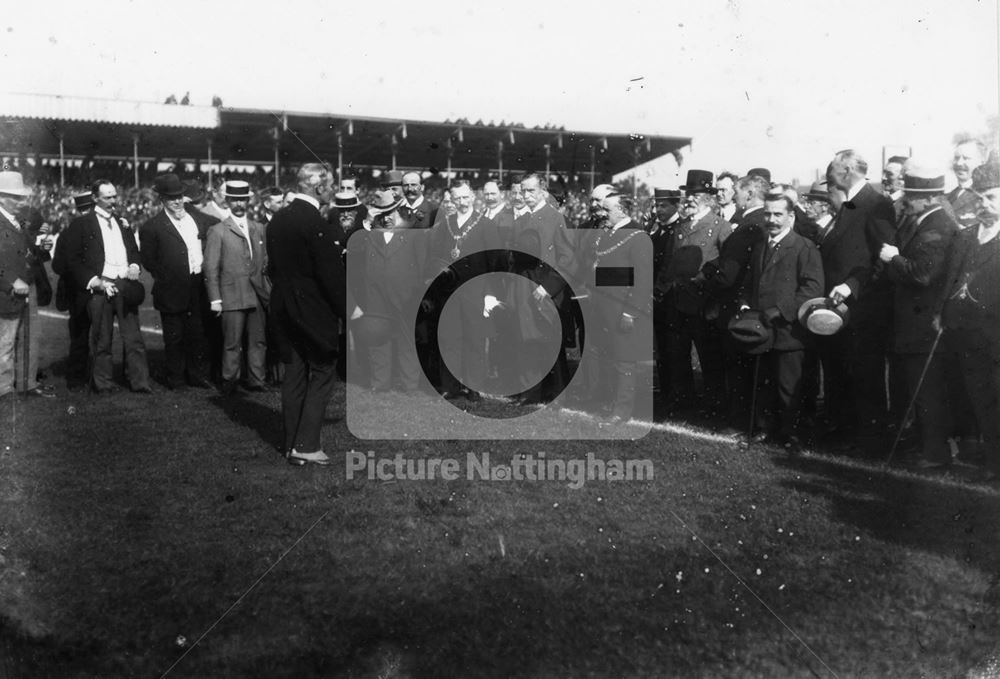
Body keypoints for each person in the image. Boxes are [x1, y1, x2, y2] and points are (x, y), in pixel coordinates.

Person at [267, 163, 346, 466]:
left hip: (284, 307)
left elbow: (273, 269)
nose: (332, 191)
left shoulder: (277, 221)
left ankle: (291, 445)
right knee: (324, 371)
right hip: (313, 312)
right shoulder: (316, 223)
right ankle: (307, 444)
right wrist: (348, 311)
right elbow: (330, 277)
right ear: (318, 187)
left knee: (295, 373)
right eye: (329, 186)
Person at [879, 164, 958, 468]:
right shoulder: (924, 220)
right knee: (917, 390)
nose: (905, 199)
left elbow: (922, 274)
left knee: (928, 392)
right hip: (912, 323)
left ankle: (936, 454)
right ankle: (925, 447)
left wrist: (893, 259)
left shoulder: (937, 225)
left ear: (928, 198)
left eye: (911, 195)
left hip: (923, 324)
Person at [820, 150, 896, 455]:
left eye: (833, 170)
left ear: (848, 170)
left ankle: (870, 438)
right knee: (844, 370)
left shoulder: (876, 202)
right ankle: (846, 429)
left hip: (864, 306)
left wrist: (853, 286)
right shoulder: (852, 201)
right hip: (843, 306)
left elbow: (884, 255)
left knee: (865, 374)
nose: (829, 175)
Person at [736, 193, 824, 452]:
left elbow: (812, 288)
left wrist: (781, 310)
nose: (771, 220)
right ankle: (765, 429)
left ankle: (793, 435)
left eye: (778, 214)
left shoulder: (803, 247)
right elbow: (750, 281)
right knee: (763, 382)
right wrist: (744, 302)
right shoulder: (762, 245)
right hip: (761, 329)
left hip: (789, 331)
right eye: (767, 214)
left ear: (791, 216)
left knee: (789, 386)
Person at [935, 160, 1000, 482]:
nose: (985, 204)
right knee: (978, 395)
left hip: (996, 331)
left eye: (992, 197)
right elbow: (951, 280)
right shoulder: (967, 236)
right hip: (965, 331)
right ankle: (987, 457)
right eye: (981, 197)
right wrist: (941, 312)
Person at [60, 180, 151, 394]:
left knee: (134, 338)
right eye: (107, 197)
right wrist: (94, 281)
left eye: (114, 196)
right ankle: (103, 383)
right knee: (102, 339)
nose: (113, 201)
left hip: (124, 285)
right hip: (100, 287)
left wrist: (135, 265)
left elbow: (133, 250)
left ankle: (140, 382)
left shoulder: (122, 222)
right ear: (95, 198)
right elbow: (72, 260)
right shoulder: (81, 224)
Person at [655, 169, 732, 415]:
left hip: (702, 302)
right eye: (688, 194)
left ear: (708, 198)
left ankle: (714, 404)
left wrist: (705, 279)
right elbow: (668, 262)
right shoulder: (681, 227)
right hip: (676, 301)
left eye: (696, 194)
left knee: (709, 357)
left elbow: (726, 261)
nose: (690, 198)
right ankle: (682, 401)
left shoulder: (721, 226)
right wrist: (660, 289)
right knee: (677, 354)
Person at [139, 173, 219, 390]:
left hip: (197, 285)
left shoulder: (197, 219)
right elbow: (148, 260)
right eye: (171, 198)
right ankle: (176, 377)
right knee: (174, 336)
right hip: (171, 287)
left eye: (179, 196)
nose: (177, 201)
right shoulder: (152, 226)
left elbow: (217, 223)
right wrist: (167, 274)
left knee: (197, 333)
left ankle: (197, 375)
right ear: (162, 200)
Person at [428, 180, 501, 401]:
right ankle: (450, 385)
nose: (462, 202)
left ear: (473, 197)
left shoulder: (486, 224)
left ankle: (473, 386)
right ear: (452, 199)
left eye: (466, 197)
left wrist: (490, 293)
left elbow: (495, 262)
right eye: (457, 198)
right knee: (449, 337)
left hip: (475, 290)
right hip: (448, 290)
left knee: (474, 338)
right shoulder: (445, 224)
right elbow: (434, 256)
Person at [703, 174, 768, 422]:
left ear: (749, 194)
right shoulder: (762, 221)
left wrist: (707, 285)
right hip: (753, 301)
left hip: (735, 304)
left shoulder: (748, 225)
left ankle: (739, 419)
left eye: (738, 192)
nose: (736, 197)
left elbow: (729, 275)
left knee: (738, 367)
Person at [349, 190, 425, 394]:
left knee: (407, 342)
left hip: (406, 297)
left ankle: (410, 384)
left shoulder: (412, 235)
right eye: (383, 214)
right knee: (378, 341)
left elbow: (421, 266)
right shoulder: (369, 235)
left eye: (393, 212)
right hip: (376, 299)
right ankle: (380, 383)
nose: (389, 218)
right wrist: (366, 222)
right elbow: (353, 250)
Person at [204, 180, 270, 395]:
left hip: (257, 293)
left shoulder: (259, 229)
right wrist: (215, 299)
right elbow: (211, 268)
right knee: (232, 343)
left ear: (248, 201)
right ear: (227, 201)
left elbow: (266, 263)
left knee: (258, 341)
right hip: (232, 294)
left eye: (243, 199)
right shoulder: (218, 231)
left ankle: (257, 380)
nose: (239, 203)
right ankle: (230, 381)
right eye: (234, 199)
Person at [0, 171, 38, 400]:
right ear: (1, 196)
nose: (20, 202)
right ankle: (3, 389)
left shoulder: (15, 222)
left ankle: (12, 385)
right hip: (6, 292)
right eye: (15, 197)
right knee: (5, 343)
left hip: (19, 291)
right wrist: (10, 281)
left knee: (15, 341)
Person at [52, 192, 96, 390]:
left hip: (83, 290)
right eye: (87, 209)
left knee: (87, 335)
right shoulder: (69, 234)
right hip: (80, 292)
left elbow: (58, 266)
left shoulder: (67, 233)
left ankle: (85, 377)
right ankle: (79, 378)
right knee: (82, 335)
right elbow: (58, 265)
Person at [947, 139, 987, 229]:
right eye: (956, 158)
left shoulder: (986, 197)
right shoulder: (948, 196)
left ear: (982, 162)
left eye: (966, 158)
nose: (959, 163)